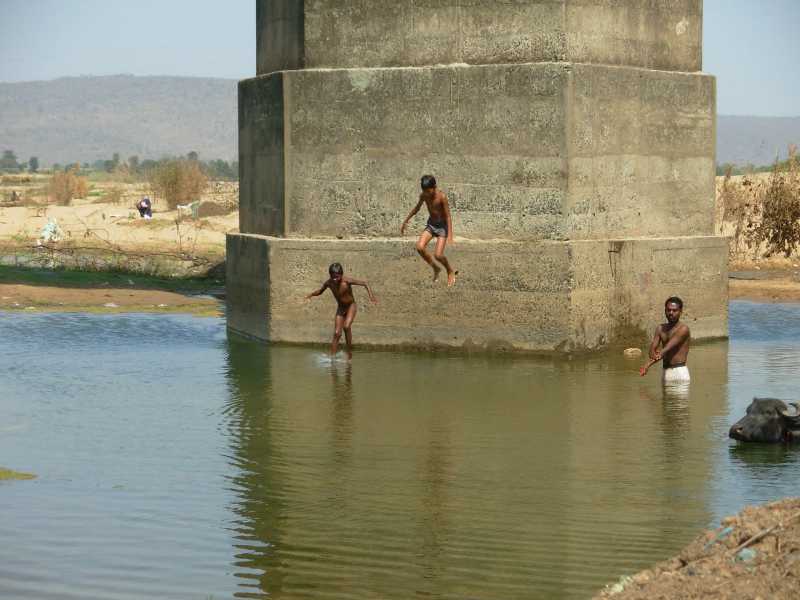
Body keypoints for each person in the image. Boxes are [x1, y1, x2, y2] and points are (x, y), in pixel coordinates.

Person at [305, 262, 377, 359]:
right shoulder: (329, 283)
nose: (335, 279)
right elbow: (320, 291)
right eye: (333, 277)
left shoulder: (346, 281)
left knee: (346, 327)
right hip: (341, 308)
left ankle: (349, 352)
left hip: (351, 306)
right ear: (330, 275)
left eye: (337, 277)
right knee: (336, 333)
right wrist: (311, 295)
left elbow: (365, 283)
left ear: (341, 274)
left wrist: (371, 296)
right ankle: (332, 358)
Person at [400, 174, 457, 286]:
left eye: (428, 191)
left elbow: (448, 216)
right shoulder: (424, 195)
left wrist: (450, 235)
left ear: (434, 187)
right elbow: (417, 208)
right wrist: (406, 220)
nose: (426, 193)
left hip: (442, 227)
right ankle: (435, 268)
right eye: (424, 191)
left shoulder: (442, 197)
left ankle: (449, 270)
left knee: (438, 255)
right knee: (419, 247)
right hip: (431, 225)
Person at [640, 296, 691, 383]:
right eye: (668, 310)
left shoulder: (683, 329)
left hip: (679, 372)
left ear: (680, 312)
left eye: (674, 310)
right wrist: (648, 362)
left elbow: (666, 349)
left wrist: (649, 363)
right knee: (663, 397)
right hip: (665, 372)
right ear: (665, 311)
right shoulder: (660, 329)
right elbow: (652, 353)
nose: (671, 313)